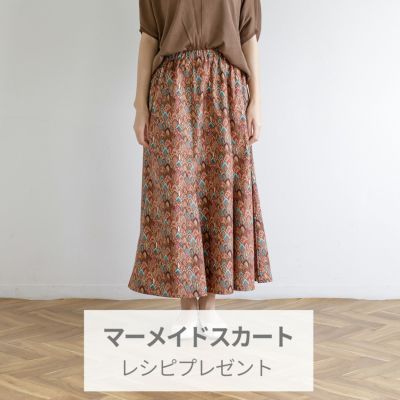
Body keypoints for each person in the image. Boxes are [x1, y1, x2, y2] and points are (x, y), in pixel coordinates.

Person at [128, 0, 272, 313]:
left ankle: (208, 307)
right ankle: (187, 306)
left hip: (226, 87)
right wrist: (140, 106)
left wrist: (256, 102)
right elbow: (149, 37)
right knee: (176, 197)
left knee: (219, 194)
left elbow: (248, 36)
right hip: (172, 88)